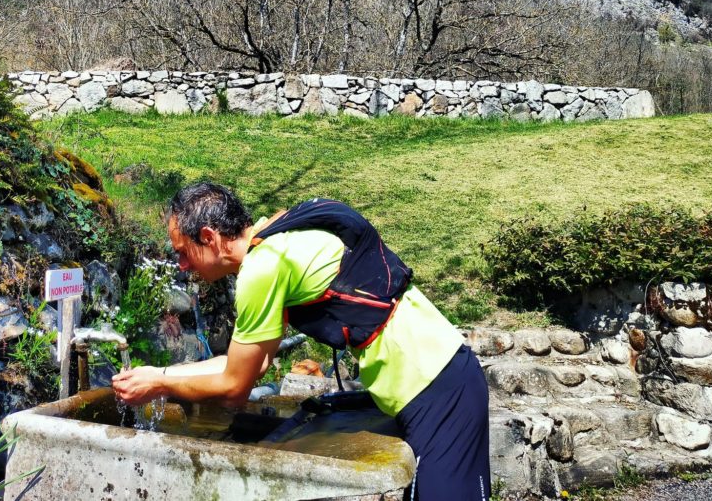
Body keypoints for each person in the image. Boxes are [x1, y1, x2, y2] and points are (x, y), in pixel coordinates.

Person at [112, 182, 490, 500]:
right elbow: (251, 366)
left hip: (436, 388)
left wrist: (161, 384)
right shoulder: (277, 236)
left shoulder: (262, 269)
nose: (182, 265)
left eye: (183, 252)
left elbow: (235, 386)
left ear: (209, 238)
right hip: (439, 376)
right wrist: (162, 373)